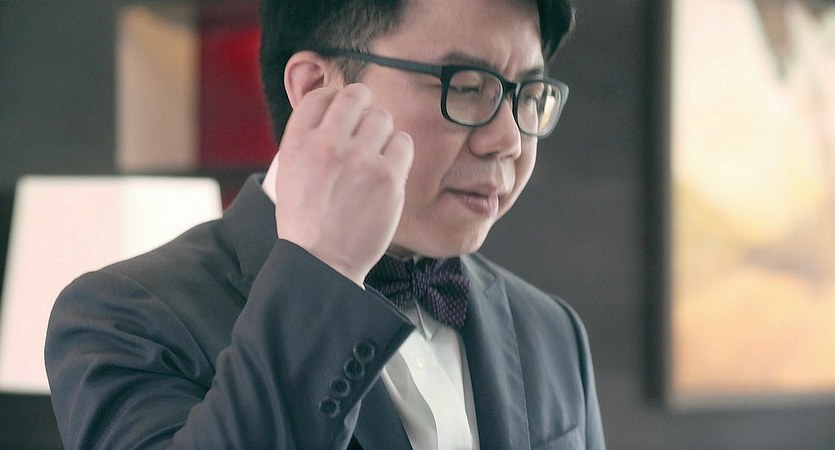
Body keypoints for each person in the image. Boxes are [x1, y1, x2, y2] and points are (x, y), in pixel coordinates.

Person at [45, 0, 605, 448]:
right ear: (316, 88)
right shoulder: (124, 318)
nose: (509, 139)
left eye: (528, 95)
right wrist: (323, 268)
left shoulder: (551, 330)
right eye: (466, 87)